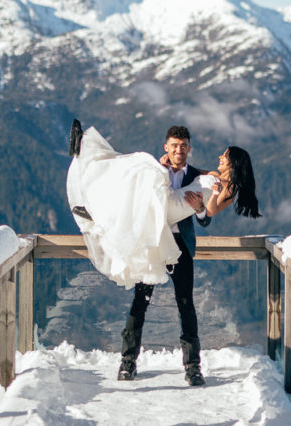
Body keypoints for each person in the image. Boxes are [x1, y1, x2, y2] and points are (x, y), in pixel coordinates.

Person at [66, 120, 260, 387]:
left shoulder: (217, 184)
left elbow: (207, 216)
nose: (179, 150)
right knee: (140, 300)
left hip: (180, 244)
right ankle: (127, 362)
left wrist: (199, 208)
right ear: (167, 147)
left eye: (183, 146)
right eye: (175, 146)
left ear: (189, 148)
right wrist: (162, 169)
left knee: (185, 303)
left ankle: (192, 367)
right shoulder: (194, 172)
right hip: (153, 240)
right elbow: (205, 181)